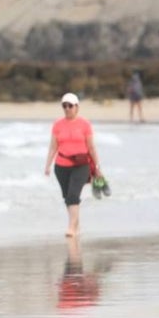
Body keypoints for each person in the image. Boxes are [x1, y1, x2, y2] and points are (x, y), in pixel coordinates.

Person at [44, 92, 102, 238]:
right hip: (61, 166)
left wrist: (98, 167)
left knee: (73, 195)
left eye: (70, 106)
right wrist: (48, 165)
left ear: (77, 107)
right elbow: (53, 147)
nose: (67, 108)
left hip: (81, 165)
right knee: (68, 197)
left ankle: (71, 227)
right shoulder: (57, 125)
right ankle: (76, 226)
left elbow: (91, 148)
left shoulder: (85, 124)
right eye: (64, 106)